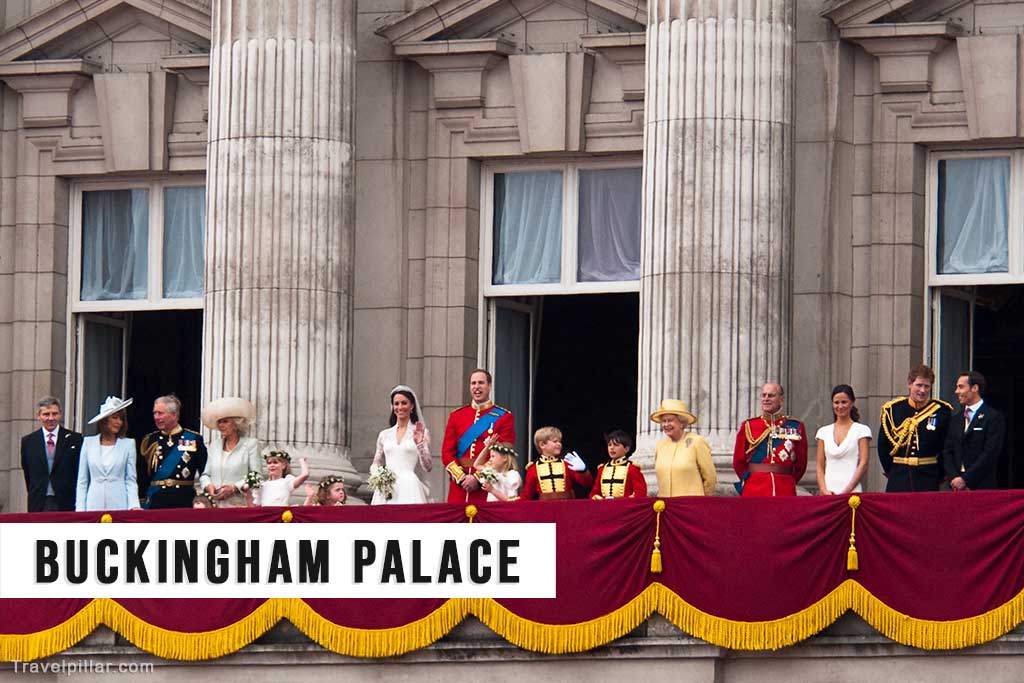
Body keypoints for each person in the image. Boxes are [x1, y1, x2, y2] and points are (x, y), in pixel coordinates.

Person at [441, 369, 515, 504]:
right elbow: (447, 453)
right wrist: (461, 477)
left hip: (487, 486)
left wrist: (477, 477)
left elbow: (503, 452)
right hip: (459, 487)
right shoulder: (457, 416)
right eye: (473, 383)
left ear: (489, 386)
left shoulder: (504, 417)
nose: (477, 387)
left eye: (481, 383)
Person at [878, 365, 952, 492]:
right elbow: (883, 446)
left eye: (927, 386)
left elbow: (945, 447)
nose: (922, 390)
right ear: (909, 384)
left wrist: (939, 473)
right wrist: (892, 470)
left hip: (928, 476)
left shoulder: (941, 411)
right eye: (919, 385)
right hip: (899, 476)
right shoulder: (893, 410)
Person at [733, 383, 808, 496]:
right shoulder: (749, 425)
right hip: (754, 488)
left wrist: (788, 480)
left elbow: (801, 464)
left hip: (784, 488)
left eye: (771, 395)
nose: (766, 399)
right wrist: (749, 479)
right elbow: (738, 462)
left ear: (781, 399)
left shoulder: (795, 426)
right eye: (764, 395)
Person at [138, 394, 208, 509]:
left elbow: (204, 471)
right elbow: (142, 475)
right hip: (156, 500)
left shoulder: (193, 439)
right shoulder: (150, 440)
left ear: (174, 415)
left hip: (184, 501)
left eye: (160, 413)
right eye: (154, 413)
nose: (156, 417)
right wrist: (141, 500)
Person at [371, 385, 433, 505]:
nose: (400, 407)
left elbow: (428, 466)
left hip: (409, 486)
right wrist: (378, 476)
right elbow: (376, 462)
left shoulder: (421, 432)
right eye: (396, 403)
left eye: (404, 403)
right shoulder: (384, 435)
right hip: (386, 488)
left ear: (412, 406)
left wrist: (419, 444)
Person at [943, 371, 1005, 491]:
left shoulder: (993, 417)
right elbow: (947, 451)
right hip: (956, 487)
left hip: (981, 485)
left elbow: (990, 453)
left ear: (975, 388)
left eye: (961, 387)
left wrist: (966, 479)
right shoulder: (956, 419)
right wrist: (954, 478)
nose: (957, 391)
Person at [76, 396, 140, 511]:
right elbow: (82, 481)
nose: (118, 422)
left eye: (121, 419)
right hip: (93, 505)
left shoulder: (128, 445)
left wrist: (134, 506)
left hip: (119, 504)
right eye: (115, 418)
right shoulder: (88, 443)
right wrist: (80, 509)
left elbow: (130, 479)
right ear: (104, 420)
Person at [21, 396, 83, 512]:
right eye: (46, 414)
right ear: (38, 416)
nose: (51, 418)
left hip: (66, 500)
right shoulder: (28, 442)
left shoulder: (75, 439)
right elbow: (28, 473)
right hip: (39, 501)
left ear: (60, 414)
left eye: (54, 414)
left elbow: (79, 471)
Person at [199, 397, 261, 508]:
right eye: (219, 422)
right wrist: (208, 486)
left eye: (225, 421)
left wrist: (234, 487)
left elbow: (257, 476)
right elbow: (205, 475)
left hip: (239, 504)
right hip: (215, 505)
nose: (221, 425)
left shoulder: (251, 445)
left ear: (236, 424)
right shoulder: (215, 445)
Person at [815, 385, 871, 495]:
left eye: (844, 402)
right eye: (836, 402)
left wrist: (847, 490)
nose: (840, 406)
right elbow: (819, 464)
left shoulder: (862, 430)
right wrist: (824, 489)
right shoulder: (823, 432)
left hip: (852, 492)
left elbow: (863, 463)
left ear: (852, 403)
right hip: (828, 492)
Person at [652, 401, 716, 497]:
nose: (666, 424)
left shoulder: (697, 442)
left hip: (690, 506)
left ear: (682, 423)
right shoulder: (660, 445)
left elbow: (710, 477)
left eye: (670, 420)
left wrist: (701, 501)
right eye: (663, 421)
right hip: (665, 506)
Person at [520, 426, 593, 500]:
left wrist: (583, 471)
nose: (559, 444)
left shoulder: (566, 464)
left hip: (566, 506)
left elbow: (587, 483)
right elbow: (527, 495)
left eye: (560, 441)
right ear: (542, 445)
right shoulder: (533, 468)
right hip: (544, 508)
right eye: (555, 441)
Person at [591, 429, 648, 499]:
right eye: (609, 445)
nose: (611, 448)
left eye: (616, 445)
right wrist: (596, 497)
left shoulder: (632, 469)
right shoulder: (602, 469)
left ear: (626, 449)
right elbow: (594, 492)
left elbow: (640, 493)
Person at [473, 437, 522, 502]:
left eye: (493, 456)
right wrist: (487, 447)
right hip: (491, 510)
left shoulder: (512, 475)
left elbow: (511, 500)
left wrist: (492, 490)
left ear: (504, 458)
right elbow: (477, 465)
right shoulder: (492, 473)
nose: (490, 459)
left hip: (504, 510)